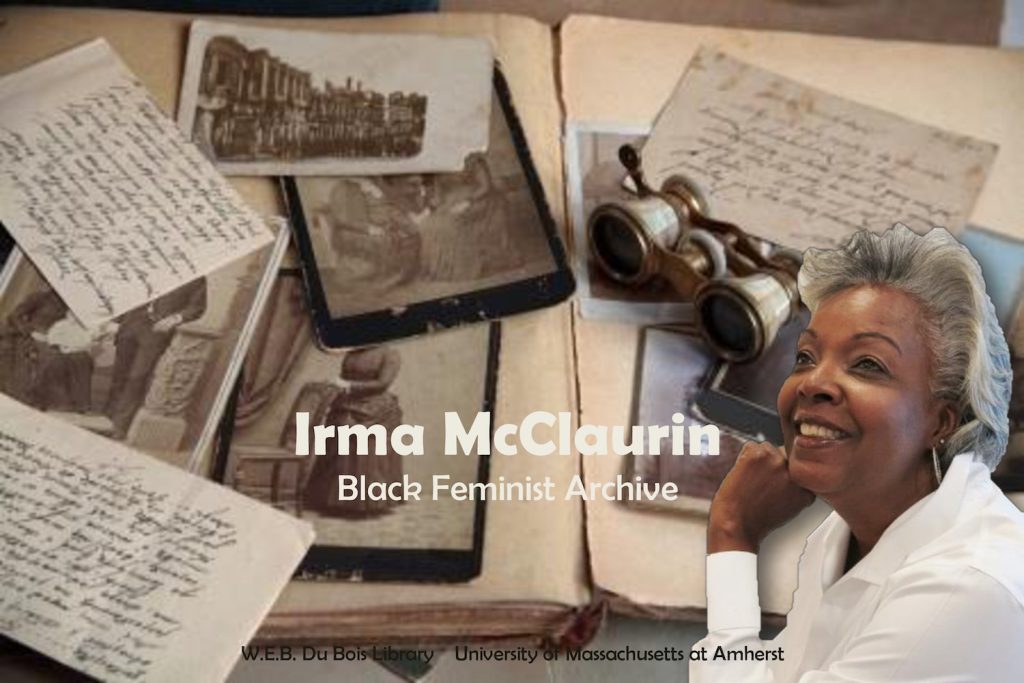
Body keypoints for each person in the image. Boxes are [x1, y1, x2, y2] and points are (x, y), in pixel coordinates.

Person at [691, 225, 1024, 682]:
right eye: (806, 357)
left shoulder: (963, 586)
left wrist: (732, 531)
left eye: (868, 364)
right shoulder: (842, 535)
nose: (812, 383)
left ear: (941, 421)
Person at [302, 345, 405, 518]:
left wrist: (347, 384)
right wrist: (336, 386)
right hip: (348, 402)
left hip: (376, 407)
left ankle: (369, 504)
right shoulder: (353, 352)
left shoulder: (390, 353)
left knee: (363, 441)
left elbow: (382, 384)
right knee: (337, 430)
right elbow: (343, 379)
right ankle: (331, 499)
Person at [106, 277, 207, 438]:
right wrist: (116, 321)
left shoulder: (197, 277)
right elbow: (128, 292)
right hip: (130, 324)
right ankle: (106, 418)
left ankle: (119, 426)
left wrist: (175, 318)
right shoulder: (156, 264)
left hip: (156, 331)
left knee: (137, 377)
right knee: (120, 374)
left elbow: (197, 307)